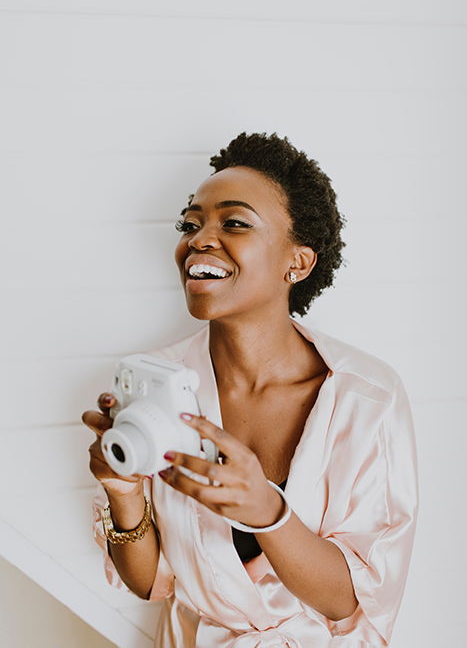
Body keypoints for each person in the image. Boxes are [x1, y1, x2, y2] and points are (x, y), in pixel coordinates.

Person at [82, 132, 419, 647]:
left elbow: (352, 601)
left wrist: (268, 512)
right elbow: (149, 583)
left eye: (234, 222)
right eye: (190, 224)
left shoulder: (365, 397)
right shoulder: (157, 382)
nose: (198, 239)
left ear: (298, 263)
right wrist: (122, 490)